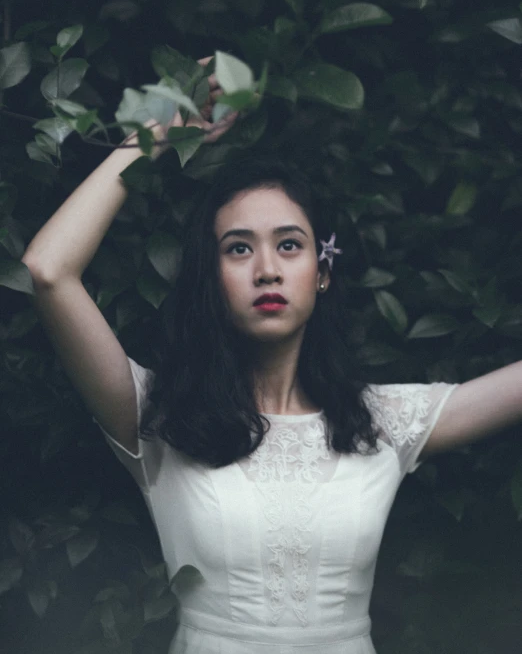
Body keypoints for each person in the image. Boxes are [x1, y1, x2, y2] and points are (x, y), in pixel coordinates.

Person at [22, 56, 522, 654]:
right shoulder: (159, 417)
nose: (266, 270)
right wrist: (156, 131)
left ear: (323, 272)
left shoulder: (382, 422)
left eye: (289, 244)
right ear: (214, 276)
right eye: (238, 249)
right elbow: (49, 270)